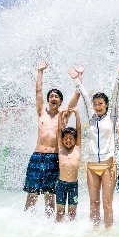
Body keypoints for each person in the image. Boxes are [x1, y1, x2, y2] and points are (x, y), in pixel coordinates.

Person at [69, 61, 119, 227]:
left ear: (106, 105)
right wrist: (76, 80)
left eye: (100, 104)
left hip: (107, 166)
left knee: (107, 203)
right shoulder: (91, 117)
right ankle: (95, 233)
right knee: (94, 203)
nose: (97, 107)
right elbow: (83, 96)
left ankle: (108, 234)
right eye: (95, 104)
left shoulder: (111, 118)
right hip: (91, 166)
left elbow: (115, 93)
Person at [23, 61, 78, 216]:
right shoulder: (41, 112)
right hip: (37, 156)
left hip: (54, 157)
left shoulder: (63, 115)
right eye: (51, 96)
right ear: (48, 100)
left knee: (50, 194)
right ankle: (28, 221)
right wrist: (40, 71)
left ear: (60, 101)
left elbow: (76, 96)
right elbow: (38, 91)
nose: (53, 98)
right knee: (31, 192)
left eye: (57, 96)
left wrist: (78, 77)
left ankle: (49, 224)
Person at [55, 107, 82, 222]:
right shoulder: (61, 148)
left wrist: (76, 113)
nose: (68, 140)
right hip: (61, 185)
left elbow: (79, 130)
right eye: (66, 138)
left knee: (72, 212)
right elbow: (59, 130)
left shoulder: (77, 148)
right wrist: (60, 114)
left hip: (73, 186)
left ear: (75, 140)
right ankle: (58, 231)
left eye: (71, 138)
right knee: (60, 212)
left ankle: (71, 232)